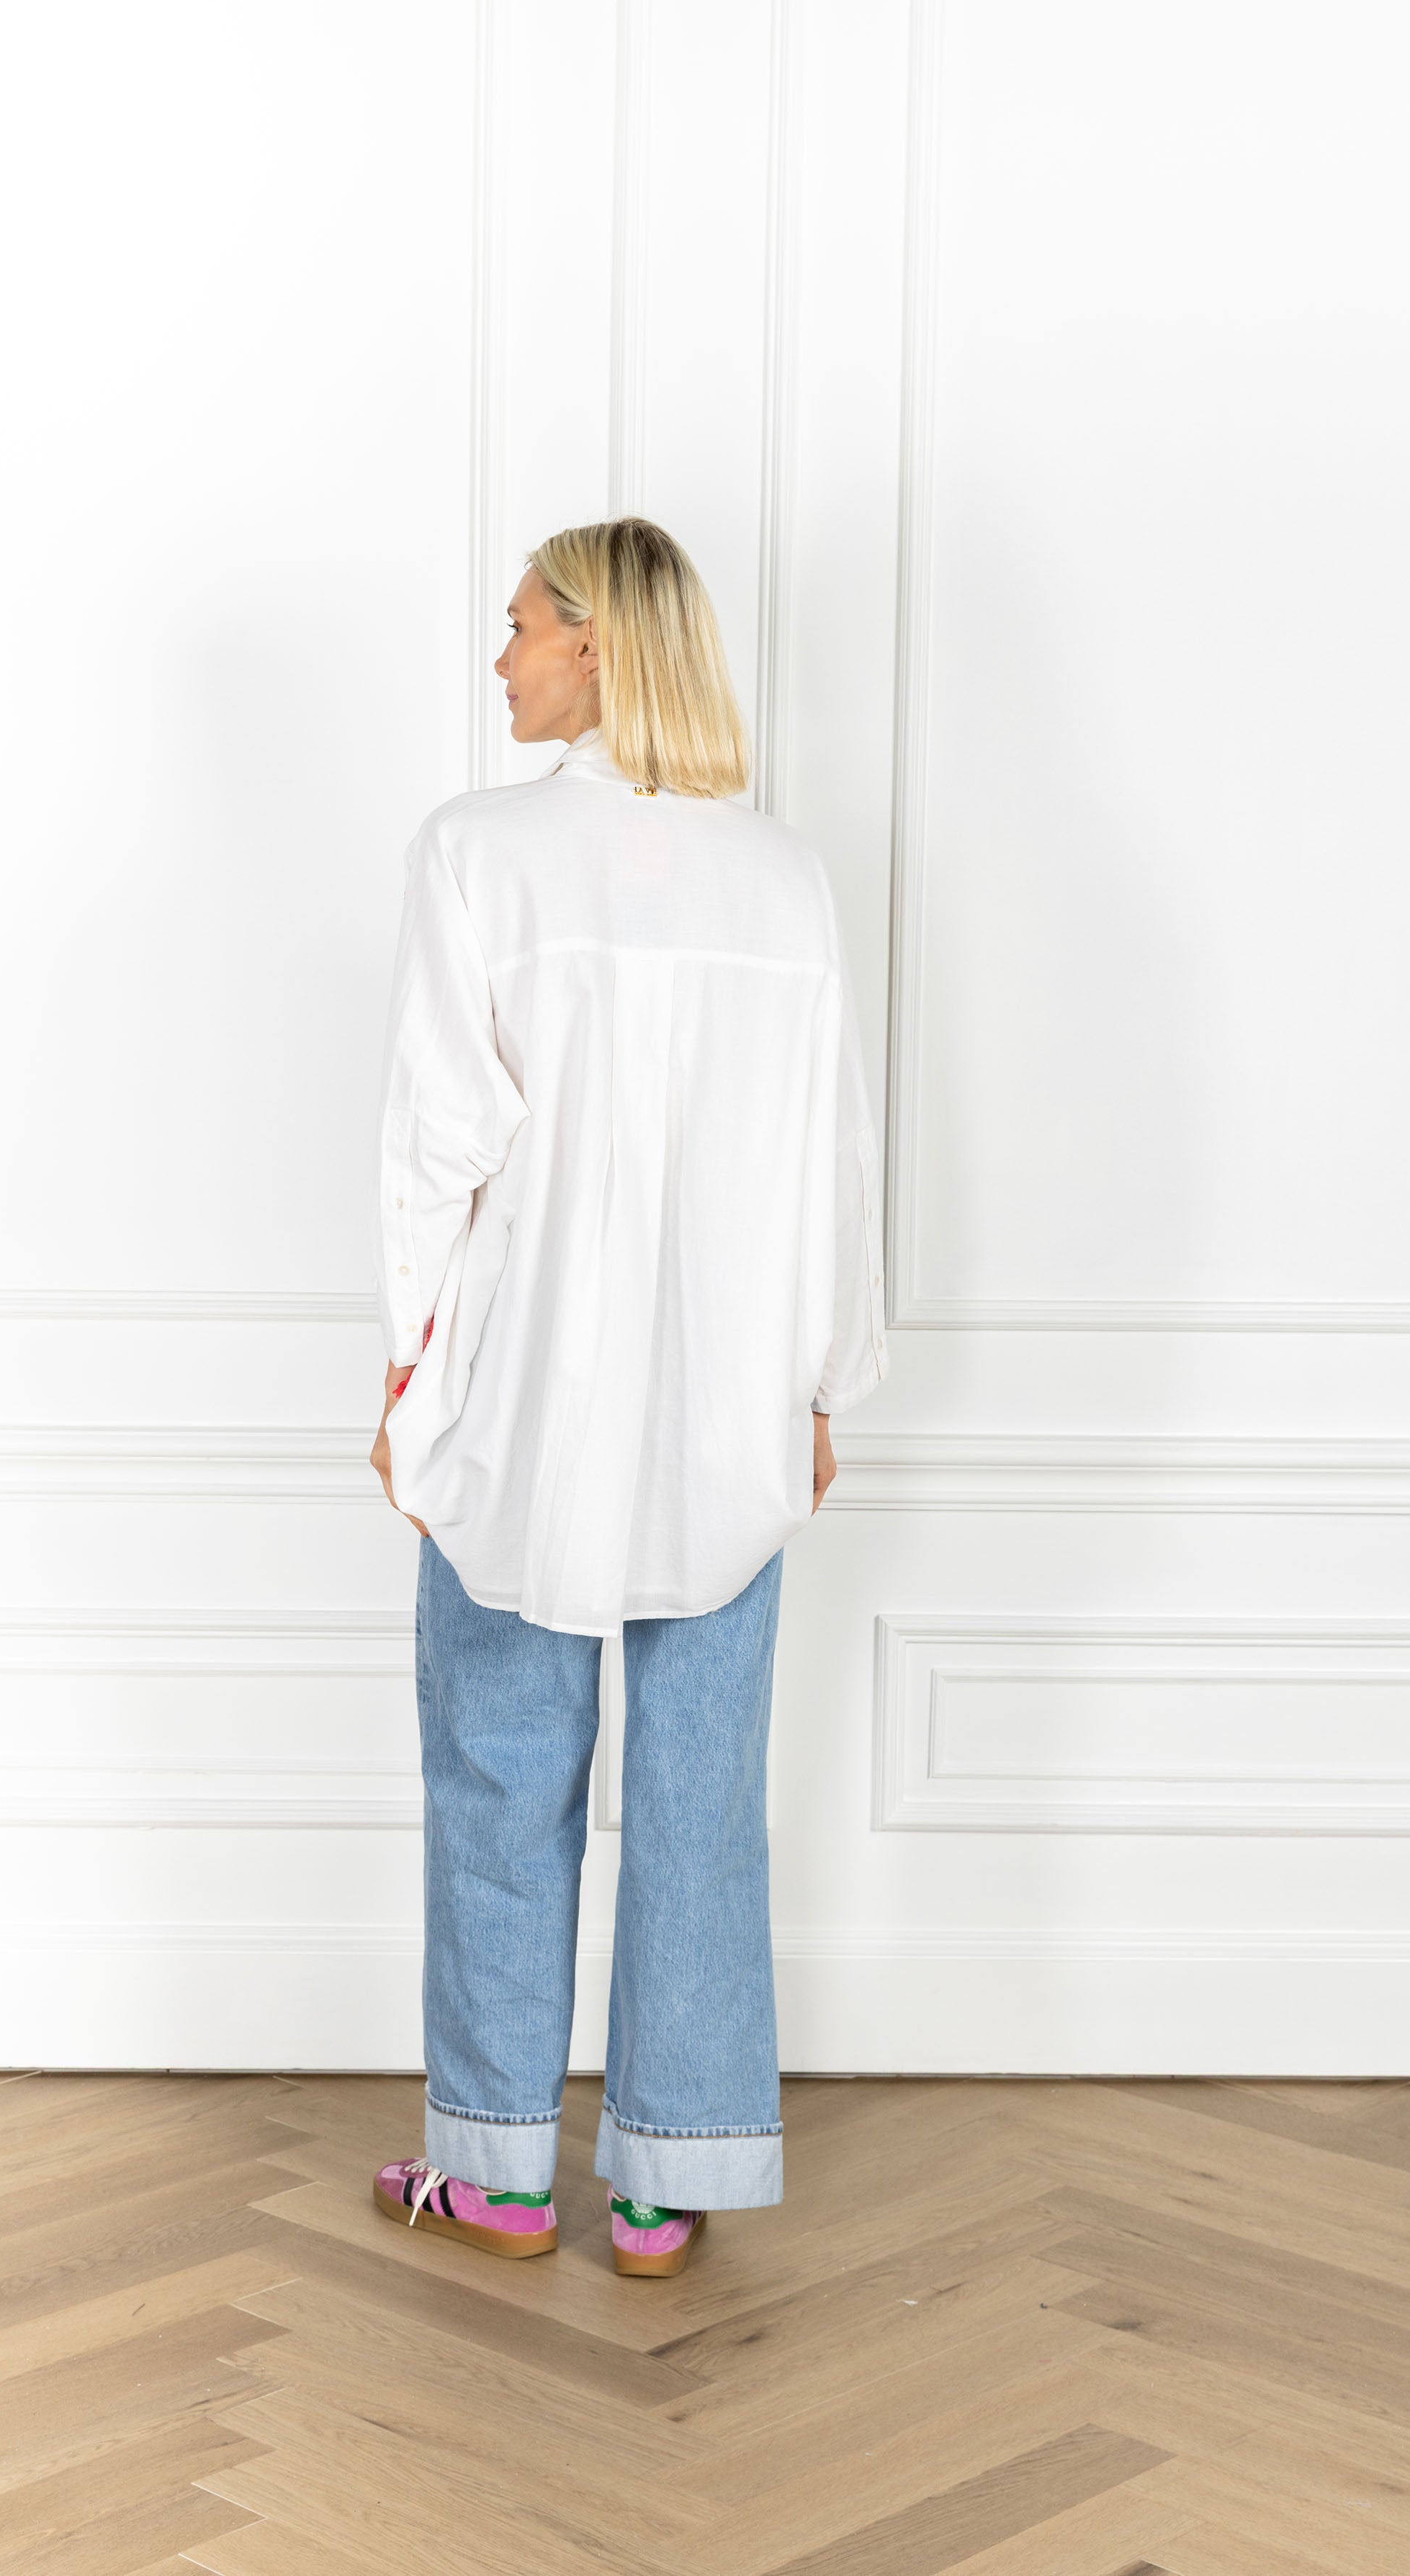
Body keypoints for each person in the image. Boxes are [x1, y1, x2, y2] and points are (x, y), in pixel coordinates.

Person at [367, 517, 886, 2277]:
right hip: (731, 1390)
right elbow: (834, 1158)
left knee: (498, 1763)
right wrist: (823, 1379)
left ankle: (502, 2170)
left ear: (593, 646)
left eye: (519, 626)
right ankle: (670, 2177)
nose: (500, 658)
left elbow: (439, 1143)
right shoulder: (784, 878)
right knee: (700, 1787)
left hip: (522, 1379)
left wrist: (408, 1367)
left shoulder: (478, 853)